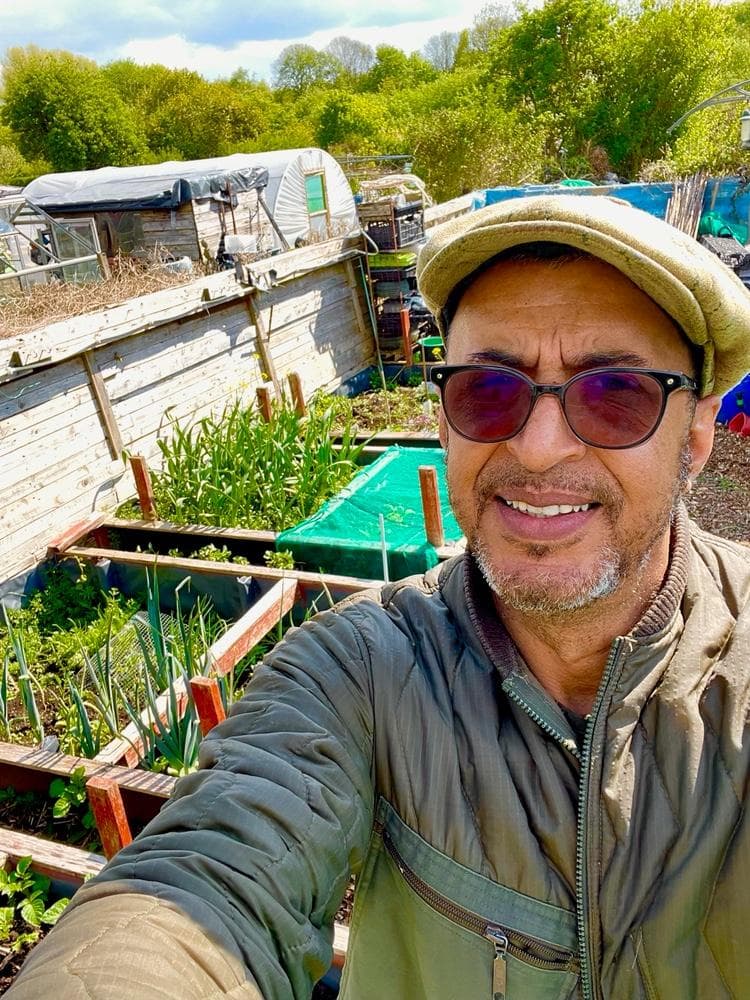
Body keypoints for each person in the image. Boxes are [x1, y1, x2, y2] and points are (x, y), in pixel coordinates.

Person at [8, 195, 750, 999]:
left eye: (616, 393)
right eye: (488, 390)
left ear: (698, 434)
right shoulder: (362, 669)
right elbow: (208, 878)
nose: (538, 448)